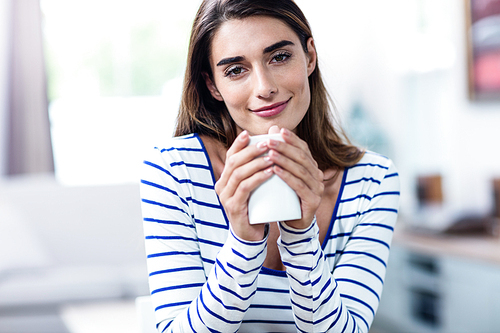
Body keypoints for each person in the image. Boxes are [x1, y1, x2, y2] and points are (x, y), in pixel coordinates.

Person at [140, 0, 400, 332]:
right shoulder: (173, 170)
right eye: (236, 70)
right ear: (212, 85)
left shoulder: (372, 181)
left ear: (309, 56)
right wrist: (243, 242)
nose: (265, 88)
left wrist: (300, 236)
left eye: (279, 57)